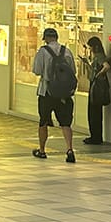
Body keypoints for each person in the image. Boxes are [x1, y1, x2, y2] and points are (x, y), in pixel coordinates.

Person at [32, 27, 77, 163]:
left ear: (46, 38)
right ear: (57, 37)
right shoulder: (67, 51)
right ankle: (69, 149)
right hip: (64, 94)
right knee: (66, 123)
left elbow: (37, 70)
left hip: (47, 92)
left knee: (44, 121)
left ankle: (42, 150)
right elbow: (73, 71)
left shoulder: (43, 52)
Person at [83, 36, 111, 145]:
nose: (90, 49)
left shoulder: (99, 56)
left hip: (96, 85)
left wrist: (99, 74)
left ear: (95, 46)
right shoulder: (97, 56)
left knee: (94, 112)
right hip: (95, 83)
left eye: (90, 47)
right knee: (95, 112)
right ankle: (95, 136)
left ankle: (95, 137)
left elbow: (106, 66)